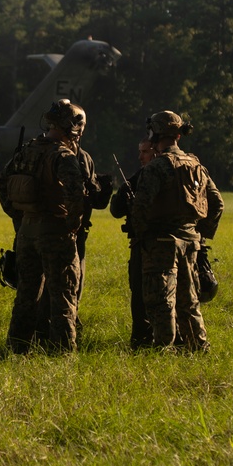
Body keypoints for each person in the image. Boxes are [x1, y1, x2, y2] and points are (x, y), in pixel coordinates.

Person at [0, 99, 111, 354]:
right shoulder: (64, 156)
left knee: (26, 295)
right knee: (63, 296)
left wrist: (20, 217)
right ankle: (62, 353)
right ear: (72, 127)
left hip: (26, 232)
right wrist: (71, 227)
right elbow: (76, 198)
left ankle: (17, 348)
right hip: (55, 233)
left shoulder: (27, 149)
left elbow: (2, 184)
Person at [130, 111, 223, 352]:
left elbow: (140, 207)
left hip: (161, 242)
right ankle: (198, 347)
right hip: (190, 243)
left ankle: (163, 349)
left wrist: (141, 238)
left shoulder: (157, 167)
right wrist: (200, 234)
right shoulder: (196, 165)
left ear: (155, 134)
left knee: (160, 301)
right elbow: (217, 203)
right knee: (188, 301)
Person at [109, 138, 156, 349]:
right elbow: (116, 210)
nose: (140, 157)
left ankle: (144, 341)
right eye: (140, 151)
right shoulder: (138, 177)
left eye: (145, 152)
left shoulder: (147, 175)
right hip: (147, 243)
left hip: (147, 245)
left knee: (142, 295)